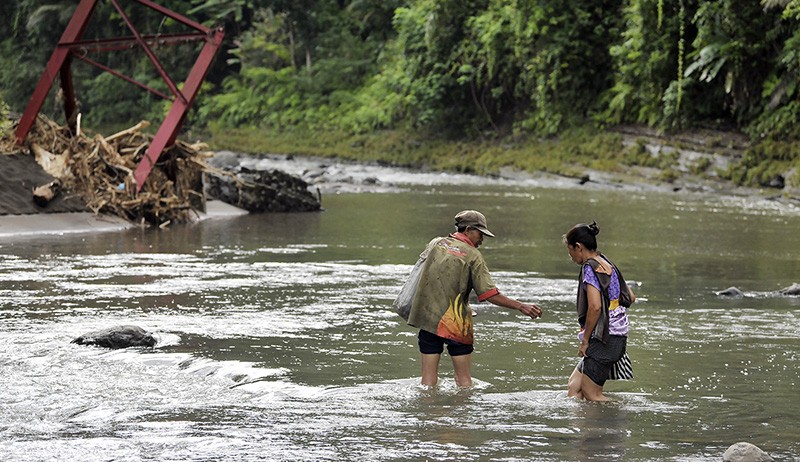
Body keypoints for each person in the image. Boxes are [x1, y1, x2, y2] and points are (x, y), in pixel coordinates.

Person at [406, 210, 542, 388]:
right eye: (480, 233)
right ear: (468, 229)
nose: (482, 239)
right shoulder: (472, 255)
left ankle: (430, 415)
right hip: (456, 324)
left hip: (428, 321)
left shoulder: (435, 244)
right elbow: (489, 294)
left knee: (427, 383)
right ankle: (464, 415)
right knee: (464, 382)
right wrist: (520, 306)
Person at [563, 221, 635, 401]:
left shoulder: (590, 267)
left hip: (605, 339)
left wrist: (585, 340)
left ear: (578, 247)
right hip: (615, 336)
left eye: (570, 250)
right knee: (575, 386)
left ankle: (619, 417)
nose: (570, 256)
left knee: (591, 394)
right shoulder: (607, 262)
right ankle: (588, 428)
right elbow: (630, 297)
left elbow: (595, 307)